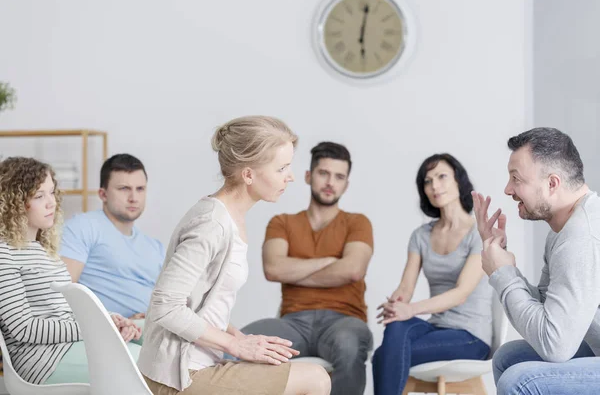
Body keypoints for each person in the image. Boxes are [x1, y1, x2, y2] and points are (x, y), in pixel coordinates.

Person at [138, 116, 331, 395]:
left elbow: (200, 302)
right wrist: (235, 346)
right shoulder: (212, 224)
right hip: (178, 377)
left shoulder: (229, 217)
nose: (290, 176)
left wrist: (241, 338)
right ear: (249, 174)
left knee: (299, 372)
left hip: (197, 365)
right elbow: (165, 306)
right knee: (316, 379)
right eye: (282, 168)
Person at [473, 127, 600, 395]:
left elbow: (555, 345)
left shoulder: (581, 236)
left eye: (516, 179)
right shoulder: (565, 229)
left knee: (519, 380)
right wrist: (503, 260)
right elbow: (546, 306)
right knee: (509, 357)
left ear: (552, 183)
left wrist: (503, 273)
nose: (508, 189)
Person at [242, 141, 374, 395]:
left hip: (344, 321)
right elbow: (273, 269)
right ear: (308, 175)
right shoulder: (282, 223)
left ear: (346, 184)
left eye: (339, 177)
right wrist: (329, 262)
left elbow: (353, 270)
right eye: (323, 173)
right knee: (238, 342)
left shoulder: (358, 223)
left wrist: (296, 270)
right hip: (292, 323)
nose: (330, 182)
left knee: (350, 345)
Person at [0, 157, 141, 385]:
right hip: (43, 362)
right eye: (39, 196)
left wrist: (109, 319)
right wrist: (95, 327)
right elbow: (24, 329)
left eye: (52, 192)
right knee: (144, 367)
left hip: (69, 347)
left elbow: (66, 312)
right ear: (13, 203)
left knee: (157, 351)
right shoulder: (5, 254)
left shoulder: (45, 251)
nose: (51, 203)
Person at [372, 153, 492, 395]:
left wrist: (411, 310)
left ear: (459, 181)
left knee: (384, 355)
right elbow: (406, 288)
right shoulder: (421, 236)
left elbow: (461, 293)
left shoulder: (477, 233)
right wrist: (396, 305)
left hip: (470, 337)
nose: (435, 186)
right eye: (427, 181)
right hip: (437, 327)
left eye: (442, 177)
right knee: (396, 327)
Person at [60, 153, 165, 320]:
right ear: (103, 194)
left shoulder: (155, 247)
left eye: (140, 189)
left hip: (157, 328)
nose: (133, 198)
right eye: (124, 189)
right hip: (113, 334)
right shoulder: (82, 228)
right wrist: (119, 321)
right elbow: (62, 294)